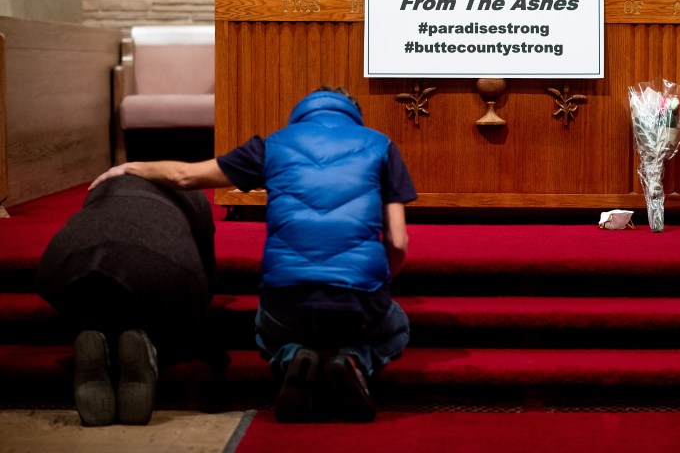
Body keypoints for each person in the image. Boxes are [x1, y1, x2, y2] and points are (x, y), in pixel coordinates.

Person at [89, 86, 416, 423]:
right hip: (359, 302)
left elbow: (186, 175)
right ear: (354, 114)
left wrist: (132, 167)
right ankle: (354, 361)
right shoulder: (381, 145)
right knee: (396, 325)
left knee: (264, 323)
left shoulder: (274, 144)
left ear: (302, 111)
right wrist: (378, 284)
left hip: (287, 300)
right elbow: (398, 242)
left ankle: (290, 357)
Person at [36, 174, 217, 427]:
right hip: (159, 262)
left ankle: (93, 331)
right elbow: (207, 273)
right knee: (161, 292)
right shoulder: (192, 190)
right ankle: (148, 343)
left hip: (66, 257)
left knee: (97, 285)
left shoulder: (105, 181)